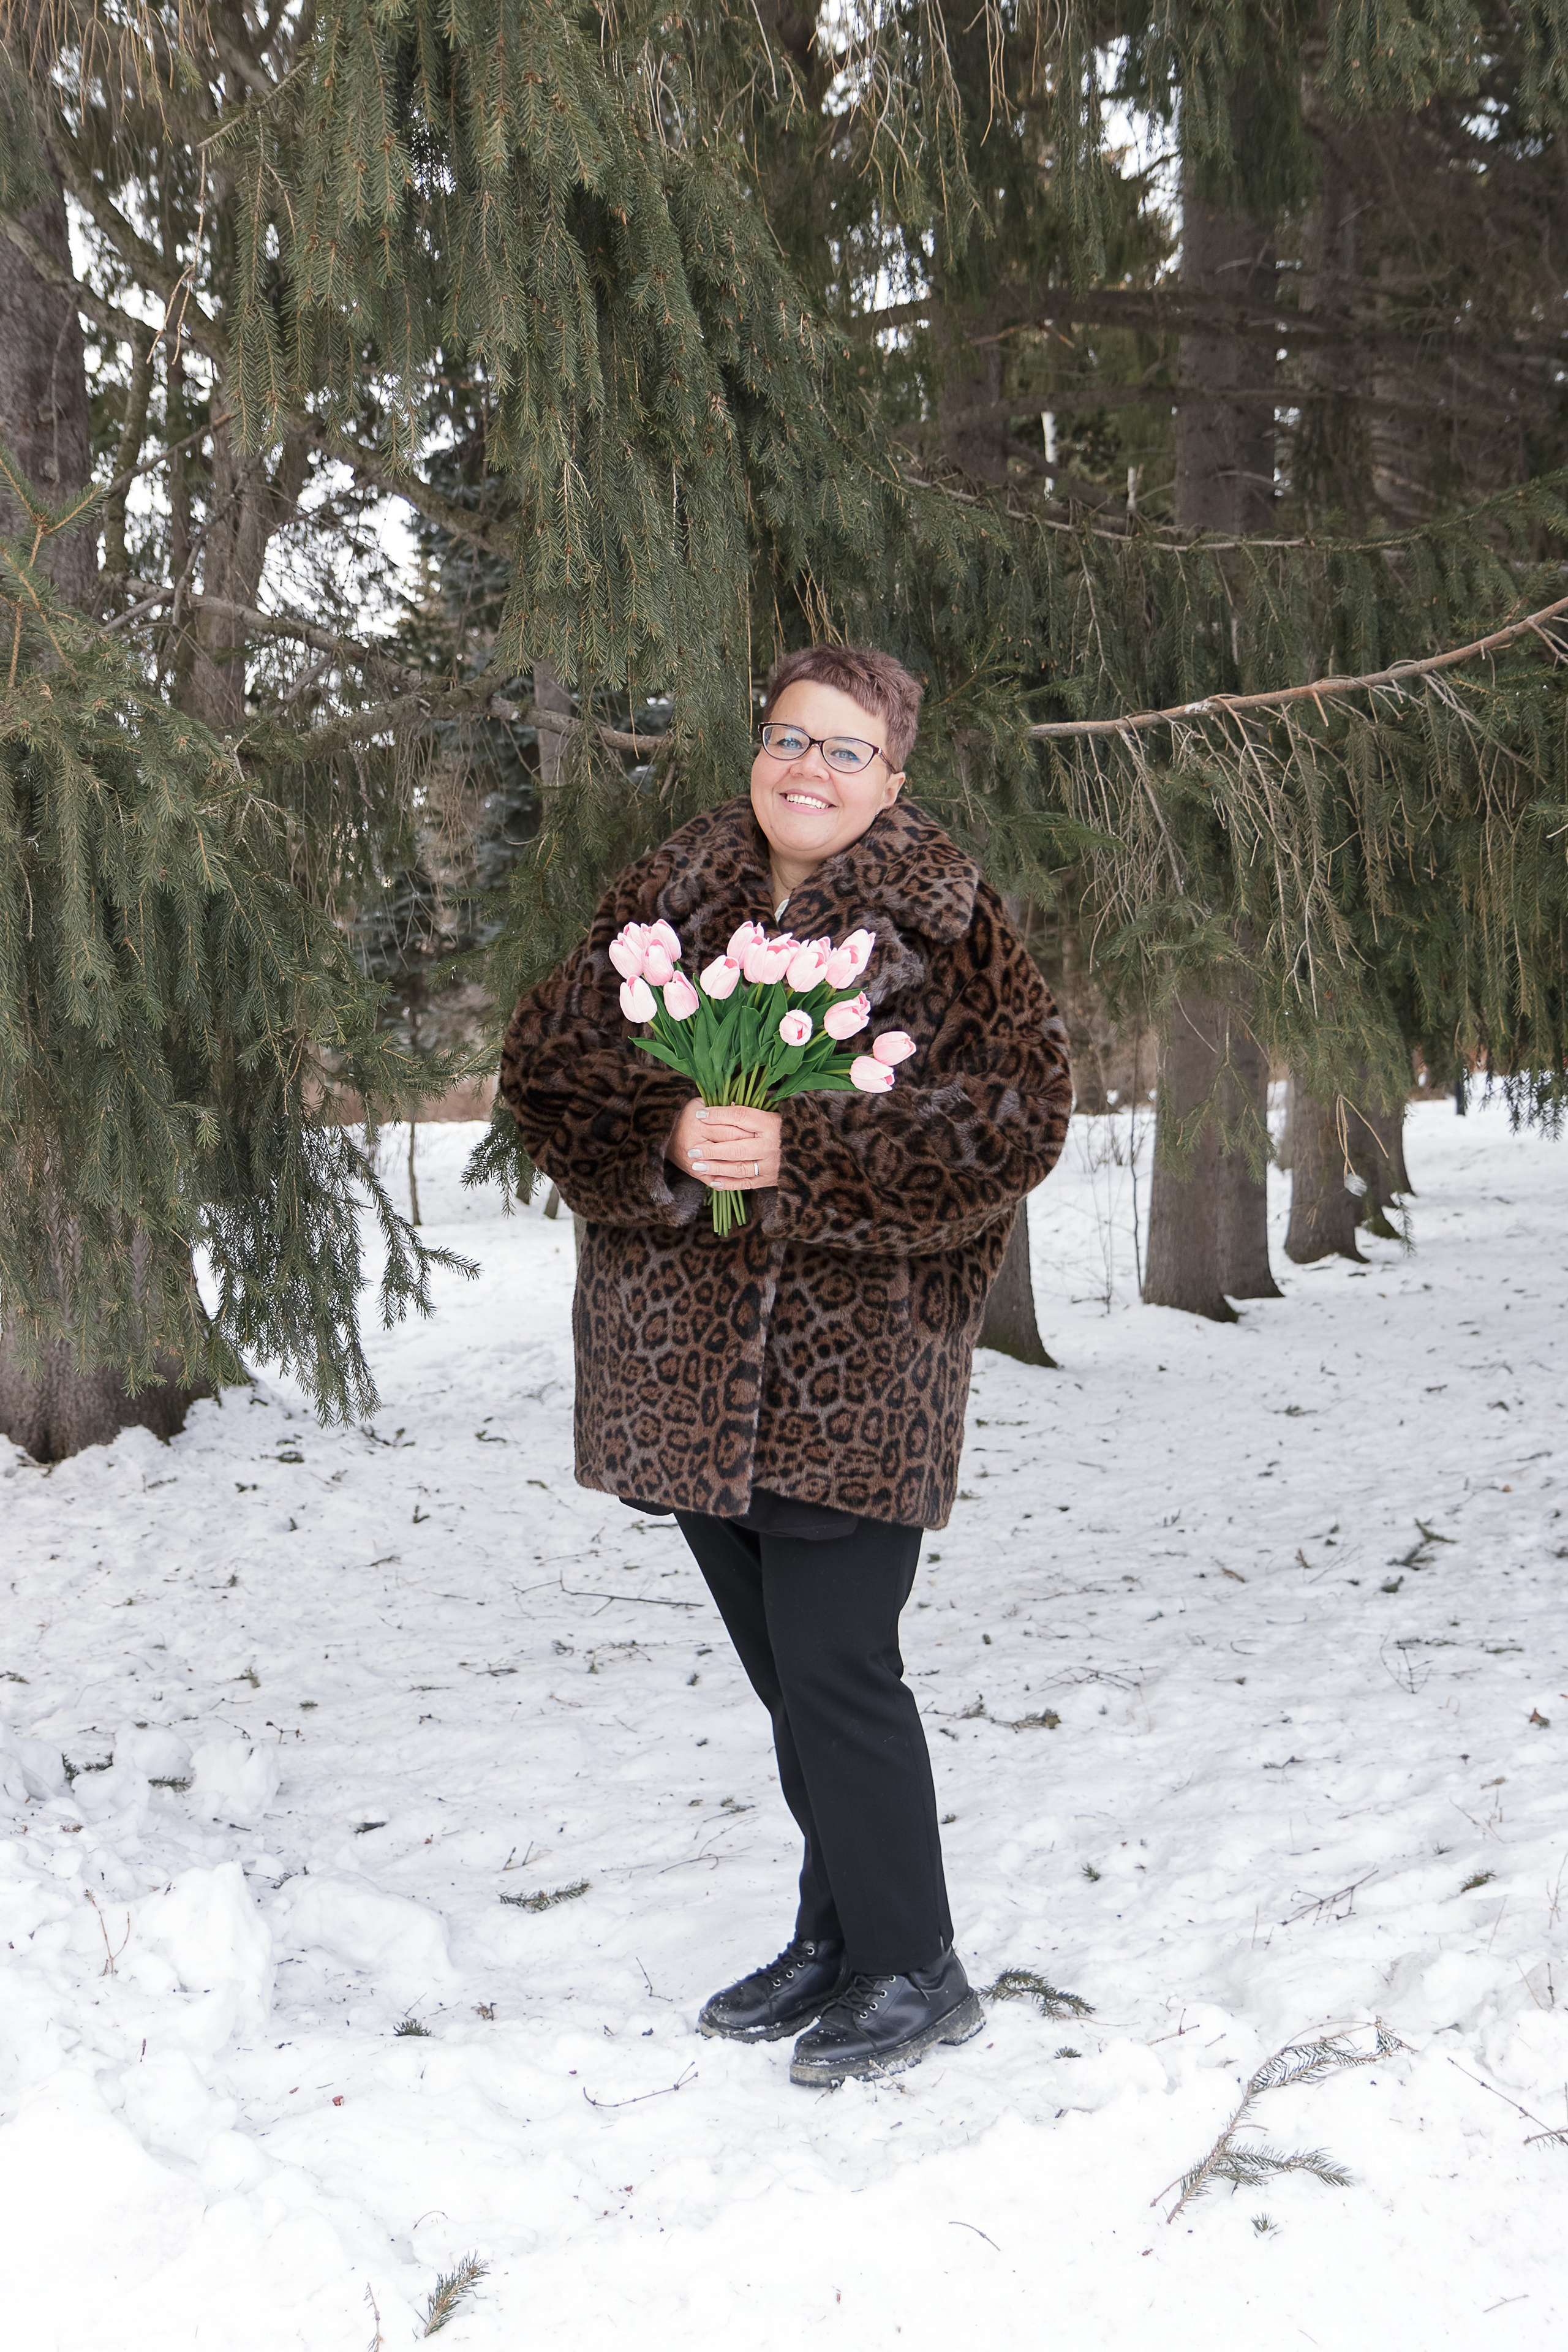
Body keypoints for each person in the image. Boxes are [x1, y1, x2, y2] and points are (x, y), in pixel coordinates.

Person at [499, 644, 1072, 2086]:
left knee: (841, 1669)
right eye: (786, 739)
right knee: (788, 1679)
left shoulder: (946, 922)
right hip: (681, 1365)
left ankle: (916, 1965)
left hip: (856, 1367)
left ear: (893, 777)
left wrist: (804, 1150)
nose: (807, 770)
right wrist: (670, 1139)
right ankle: (835, 1935)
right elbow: (547, 1069)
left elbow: (1015, 1119)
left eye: (845, 750)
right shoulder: (667, 899)